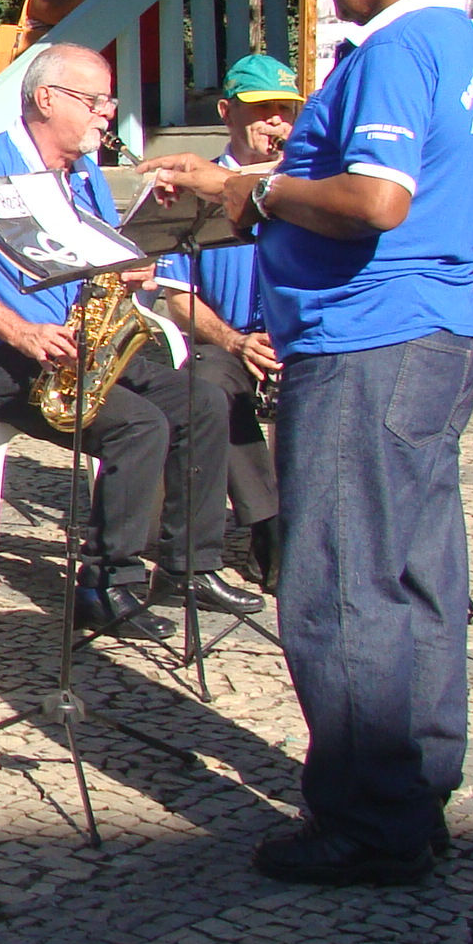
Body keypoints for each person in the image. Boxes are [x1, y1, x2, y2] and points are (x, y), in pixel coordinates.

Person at [148, 0, 473, 886]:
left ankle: (365, 818)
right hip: (429, 336)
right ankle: (413, 789)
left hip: (367, 341)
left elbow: (379, 197)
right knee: (420, 573)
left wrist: (252, 195)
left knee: (343, 580)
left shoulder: (397, 50)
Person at [0, 43, 246, 634]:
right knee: (138, 424)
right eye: (95, 101)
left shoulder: (85, 173)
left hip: (84, 342)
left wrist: (134, 268)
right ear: (46, 100)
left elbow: (101, 261)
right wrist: (23, 332)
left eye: (109, 102)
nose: (107, 114)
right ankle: (107, 581)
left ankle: (189, 565)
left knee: (202, 399)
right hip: (0, 357)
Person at [157, 54, 300, 589]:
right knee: (210, 386)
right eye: (263, 112)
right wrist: (238, 342)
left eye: (284, 112)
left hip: (298, 335)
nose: (276, 124)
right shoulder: (192, 188)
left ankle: (315, 522)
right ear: (226, 112)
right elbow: (177, 299)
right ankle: (270, 526)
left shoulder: (304, 187)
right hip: (229, 338)